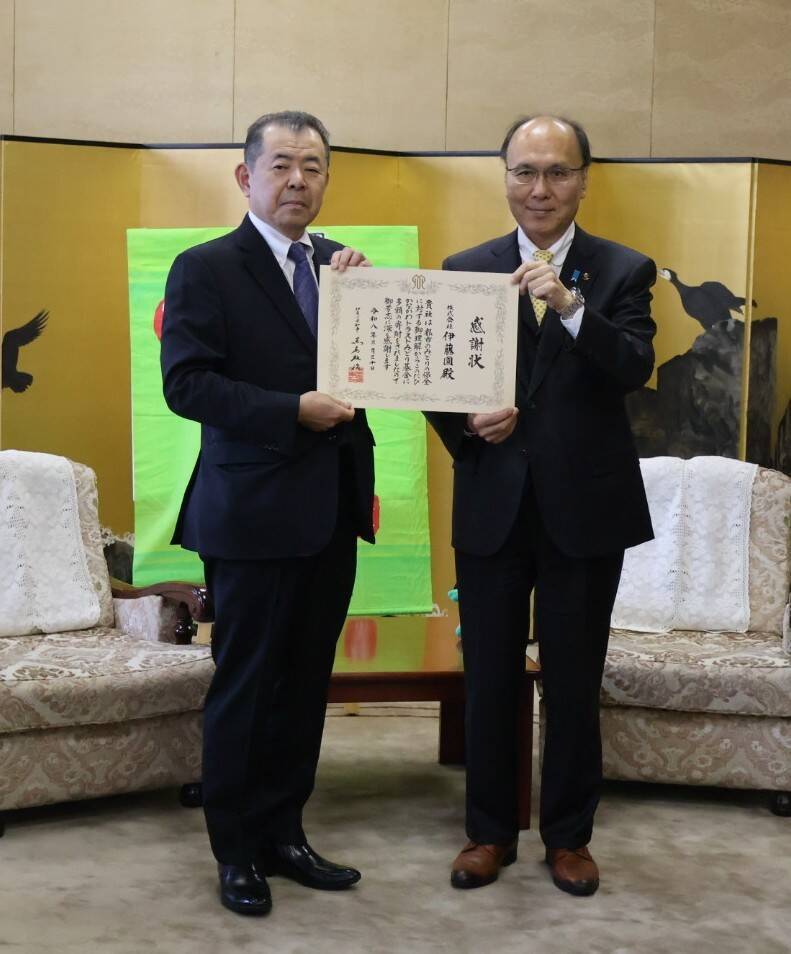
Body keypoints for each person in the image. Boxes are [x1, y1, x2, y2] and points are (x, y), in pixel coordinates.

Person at [426, 115, 656, 897]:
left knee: (571, 681)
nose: (539, 189)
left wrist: (568, 305)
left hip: (585, 513)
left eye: (557, 172)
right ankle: (487, 833)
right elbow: (436, 384)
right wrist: (467, 433)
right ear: (504, 179)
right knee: (487, 678)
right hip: (493, 506)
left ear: (584, 180)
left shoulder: (621, 270)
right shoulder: (465, 267)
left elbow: (631, 367)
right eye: (525, 172)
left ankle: (568, 838)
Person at [161, 111, 376, 917]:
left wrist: (371, 294)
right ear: (245, 176)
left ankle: (286, 833)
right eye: (281, 164)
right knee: (247, 683)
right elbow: (187, 385)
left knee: (304, 683)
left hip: (331, 508)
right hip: (251, 511)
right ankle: (235, 851)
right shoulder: (206, 268)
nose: (298, 180)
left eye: (313, 167)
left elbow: (378, 366)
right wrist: (291, 408)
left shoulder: (340, 266)